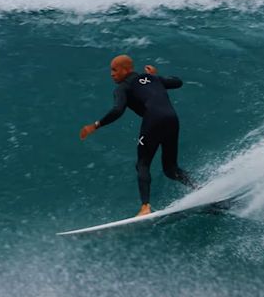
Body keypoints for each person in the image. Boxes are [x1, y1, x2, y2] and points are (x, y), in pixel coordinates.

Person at [80, 54, 196, 216]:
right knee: (170, 169)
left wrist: (96, 125)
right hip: (172, 118)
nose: (112, 74)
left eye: (115, 70)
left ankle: (145, 207)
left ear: (127, 70)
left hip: (153, 120)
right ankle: (200, 188)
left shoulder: (122, 88)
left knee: (142, 164)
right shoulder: (152, 79)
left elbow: (117, 110)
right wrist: (156, 76)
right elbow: (178, 82)